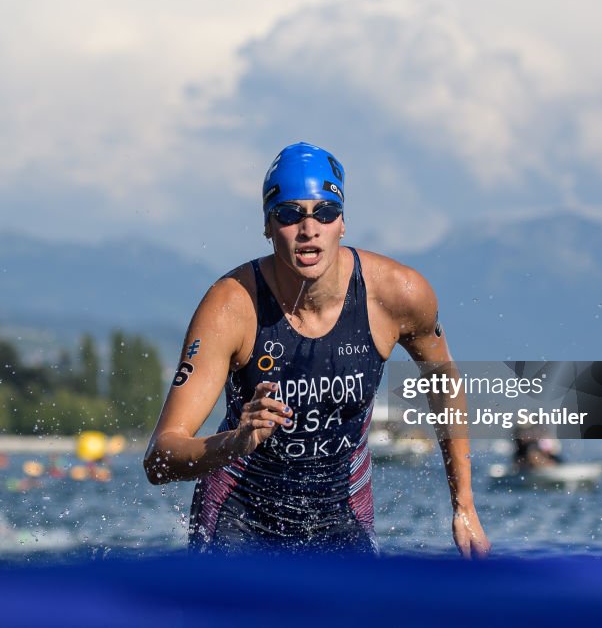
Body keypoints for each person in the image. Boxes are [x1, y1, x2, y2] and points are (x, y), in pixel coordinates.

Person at [144, 142, 489, 557]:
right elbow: (160, 458)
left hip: (342, 516)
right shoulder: (231, 307)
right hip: (237, 516)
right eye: (290, 214)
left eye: (324, 212)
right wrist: (235, 442)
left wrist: (464, 504)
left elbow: (445, 382)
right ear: (269, 226)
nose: (309, 228)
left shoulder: (399, 295)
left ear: (342, 223)